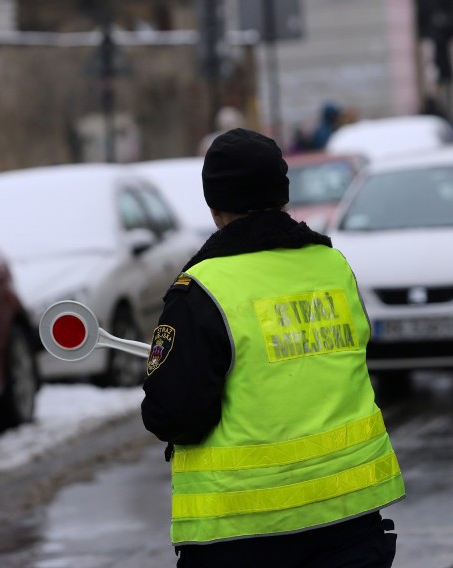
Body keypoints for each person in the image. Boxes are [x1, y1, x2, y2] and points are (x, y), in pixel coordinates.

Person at [141, 128, 405, 568]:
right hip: (350, 521)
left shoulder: (202, 290)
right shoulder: (332, 266)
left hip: (240, 534)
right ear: (283, 194)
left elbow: (176, 416)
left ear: (213, 206)